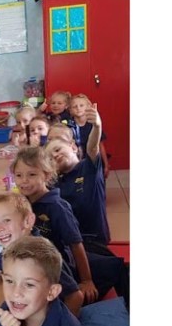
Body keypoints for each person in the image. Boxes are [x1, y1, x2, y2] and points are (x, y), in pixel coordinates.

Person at [11, 146, 126, 306]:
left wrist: (86, 280)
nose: (24, 181)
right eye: (19, 175)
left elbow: (76, 245)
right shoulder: (25, 200)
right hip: (37, 262)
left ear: (47, 175)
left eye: (32, 175)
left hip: (60, 269)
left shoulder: (57, 207)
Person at [0, 192, 84, 315]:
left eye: (6, 220)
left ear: (28, 221)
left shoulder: (42, 255)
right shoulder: (12, 248)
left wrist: (59, 324)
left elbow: (76, 297)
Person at [46, 104, 110, 246]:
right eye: (50, 156)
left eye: (58, 149)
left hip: (95, 241)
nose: (55, 155)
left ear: (73, 147)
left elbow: (92, 148)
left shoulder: (88, 167)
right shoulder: (54, 180)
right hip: (70, 241)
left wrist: (97, 127)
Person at [69, 94, 110, 178]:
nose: (78, 108)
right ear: (70, 110)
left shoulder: (93, 125)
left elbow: (100, 145)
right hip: (76, 164)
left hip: (93, 161)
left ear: (88, 107)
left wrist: (106, 164)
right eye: (75, 106)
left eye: (81, 105)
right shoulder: (69, 126)